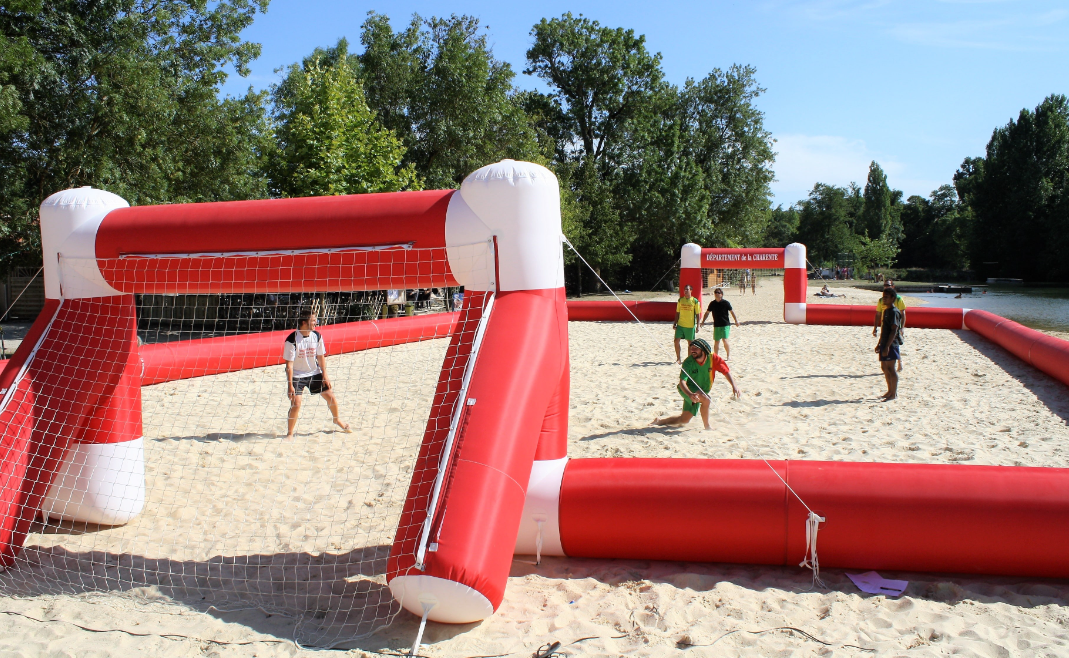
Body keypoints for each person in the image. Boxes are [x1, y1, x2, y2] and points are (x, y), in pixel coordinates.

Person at [284, 309, 351, 437]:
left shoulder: (317, 336)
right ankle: (290, 433)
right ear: (304, 322)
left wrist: (325, 374)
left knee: (331, 397)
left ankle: (337, 419)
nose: (316, 323)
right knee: (296, 404)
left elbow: (320, 357)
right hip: (297, 375)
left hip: (314, 372)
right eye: (313, 320)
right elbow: (289, 365)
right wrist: (290, 385)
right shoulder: (291, 340)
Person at [653, 338, 741, 429]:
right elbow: (682, 382)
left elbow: (726, 371)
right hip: (687, 389)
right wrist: (690, 394)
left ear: (703, 350)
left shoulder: (713, 358)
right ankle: (707, 427)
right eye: (691, 348)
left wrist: (734, 386)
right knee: (706, 399)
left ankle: (659, 421)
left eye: (696, 348)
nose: (692, 350)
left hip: (702, 390)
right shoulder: (688, 362)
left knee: (684, 420)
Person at [875, 288, 903, 401]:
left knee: (891, 368)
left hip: (891, 344)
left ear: (892, 298)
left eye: (886, 297)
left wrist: (887, 346)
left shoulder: (895, 312)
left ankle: (894, 393)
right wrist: (879, 343)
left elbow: (894, 330)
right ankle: (889, 390)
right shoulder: (886, 311)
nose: (884, 299)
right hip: (884, 342)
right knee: (884, 367)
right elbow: (884, 329)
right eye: (883, 297)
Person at [873, 285, 907, 372]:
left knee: (891, 367)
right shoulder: (883, 305)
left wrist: (902, 327)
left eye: (888, 285)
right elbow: (878, 314)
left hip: (894, 329)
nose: (886, 286)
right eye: (885, 285)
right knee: (885, 367)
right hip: (885, 329)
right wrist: (875, 328)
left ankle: (900, 363)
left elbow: (902, 314)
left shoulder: (898, 302)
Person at [700, 288, 739, 360]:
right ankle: (716, 356)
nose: (716, 294)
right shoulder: (712, 303)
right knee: (717, 341)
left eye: (718, 292)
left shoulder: (726, 303)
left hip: (725, 324)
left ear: (721, 294)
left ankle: (728, 356)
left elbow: (732, 312)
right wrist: (703, 321)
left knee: (725, 340)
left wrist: (736, 321)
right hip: (716, 325)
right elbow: (707, 313)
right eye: (715, 292)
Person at [673, 284, 700, 364]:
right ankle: (678, 358)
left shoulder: (695, 301)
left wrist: (698, 325)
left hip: (690, 326)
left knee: (690, 343)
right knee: (676, 340)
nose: (685, 291)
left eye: (687, 290)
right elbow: (677, 312)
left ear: (691, 291)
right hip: (681, 324)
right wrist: (675, 323)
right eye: (684, 290)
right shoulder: (680, 300)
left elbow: (698, 314)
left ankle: (688, 360)